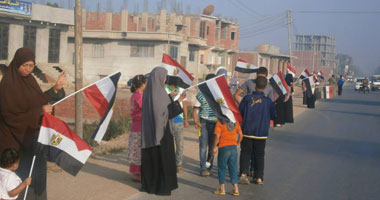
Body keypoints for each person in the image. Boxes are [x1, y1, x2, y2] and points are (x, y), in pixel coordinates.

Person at [0, 48, 65, 200]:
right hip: (14, 143)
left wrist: (55, 89)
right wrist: (39, 112)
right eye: (25, 65)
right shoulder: (8, 85)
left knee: (36, 179)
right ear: (17, 64)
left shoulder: (30, 81)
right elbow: (10, 115)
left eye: (31, 66)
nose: (28, 69)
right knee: (17, 183)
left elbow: (37, 101)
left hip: (32, 139)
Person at [140, 67, 185, 196]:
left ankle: (149, 186)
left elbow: (160, 109)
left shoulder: (149, 93)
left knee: (151, 159)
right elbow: (166, 113)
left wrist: (170, 98)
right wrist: (178, 102)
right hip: (162, 133)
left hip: (149, 133)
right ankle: (163, 186)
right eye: (164, 76)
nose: (165, 79)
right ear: (159, 77)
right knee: (163, 159)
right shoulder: (160, 94)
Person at [238, 76, 275, 185]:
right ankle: (259, 177)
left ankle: (243, 174)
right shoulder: (268, 102)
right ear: (265, 87)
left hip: (247, 130)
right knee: (259, 155)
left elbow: (241, 112)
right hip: (261, 132)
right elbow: (273, 115)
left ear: (255, 85)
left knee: (245, 153)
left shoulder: (247, 99)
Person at [193, 74, 217, 177]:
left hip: (216, 124)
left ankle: (209, 166)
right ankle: (203, 168)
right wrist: (196, 121)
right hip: (203, 123)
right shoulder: (200, 94)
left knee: (212, 146)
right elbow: (195, 110)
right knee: (203, 146)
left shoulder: (218, 95)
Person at [211, 121, 243, 196]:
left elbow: (217, 137)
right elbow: (241, 135)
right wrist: (237, 143)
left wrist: (214, 147)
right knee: (233, 168)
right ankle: (236, 189)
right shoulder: (235, 122)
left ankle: (222, 189)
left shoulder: (220, 123)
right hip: (233, 147)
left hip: (223, 147)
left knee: (222, 168)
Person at [126, 75, 147, 182]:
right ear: (143, 84)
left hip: (136, 125)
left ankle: (136, 173)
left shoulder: (134, 95)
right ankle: (138, 174)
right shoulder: (139, 96)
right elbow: (145, 108)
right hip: (139, 126)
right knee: (138, 150)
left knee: (136, 149)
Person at [165, 83, 189, 173]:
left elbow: (185, 105)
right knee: (168, 143)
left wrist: (186, 119)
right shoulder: (164, 89)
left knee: (180, 143)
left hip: (179, 119)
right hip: (167, 120)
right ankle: (169, 163)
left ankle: (178, 163)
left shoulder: (182, 90)